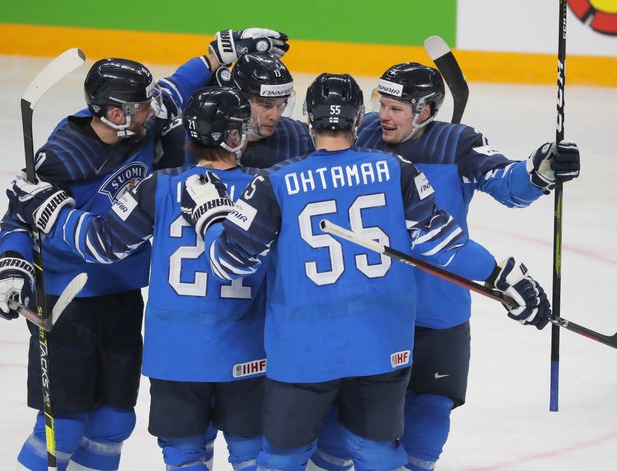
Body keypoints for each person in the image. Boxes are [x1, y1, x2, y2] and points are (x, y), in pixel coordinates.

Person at [179, 73, 551, 471]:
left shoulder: (275, 182)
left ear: (307, 120)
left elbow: (228, 263)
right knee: (378, 454)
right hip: (378, 344)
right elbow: (445, 246)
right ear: (360, 121)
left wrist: (212, 218)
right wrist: (500, 274)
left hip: (303, 349)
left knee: (285, 459)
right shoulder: (398, 171)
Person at [0, 28, 288, 471]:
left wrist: (210, 59)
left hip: (122, 296)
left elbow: (171, 91)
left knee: (114, 422)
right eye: (142, 105)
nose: (155, 109)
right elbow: (20, 216)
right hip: (66, 300)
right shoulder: (62, 155)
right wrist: (10, 265)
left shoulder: (143, 124)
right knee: (64, 427)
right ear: (115, 113)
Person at [308, 62, 580, 471]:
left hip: (438, 310)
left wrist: (537, 172)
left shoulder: (458, 143)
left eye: (397, 108)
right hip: (369, 308)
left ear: (425, 112)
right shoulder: (360, 132)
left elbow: (506, 183)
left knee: (429, 420)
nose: (384, 114)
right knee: (340, 427)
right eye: (383, 104)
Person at [191, 51, 315, 168]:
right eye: (266, 105)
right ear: (239, 101)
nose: (275, 116)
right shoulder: (200, 137)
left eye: (282, 104)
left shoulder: (302, 139)